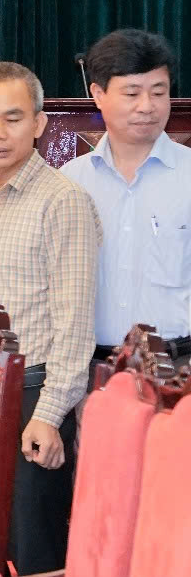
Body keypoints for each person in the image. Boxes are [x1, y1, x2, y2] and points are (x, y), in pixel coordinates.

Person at [0, 60, 101, 573]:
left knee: (33, 557)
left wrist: (51, 413)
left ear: (38, 124)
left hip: (32, 398)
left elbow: (74, 320)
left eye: (13, 118)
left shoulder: (64, 201)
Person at [65, 29, 191, 361]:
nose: (147, 106)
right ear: (98, 94)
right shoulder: (70, 183)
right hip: (91, 367)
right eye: (132, 93)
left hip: (178, 366)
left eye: (159, 92)